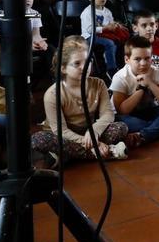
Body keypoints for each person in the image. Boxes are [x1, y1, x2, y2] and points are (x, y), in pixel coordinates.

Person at [31, 36, 129, 166]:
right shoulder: (52, 94)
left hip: (89, 132)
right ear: (63, 68)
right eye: (77, 63)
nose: (85, 67)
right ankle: (108, 151)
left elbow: (108, 114)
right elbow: (61, 131)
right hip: (65, 136)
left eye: (87, 61)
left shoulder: (99, 84)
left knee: (120, 128)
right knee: (38, 140)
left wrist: (94, 131)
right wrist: (94, 144)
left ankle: (67, 156)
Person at [110, 36, 159, 148]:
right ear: (127, 60)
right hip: (125, 116)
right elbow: (122, 111)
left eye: (147, 58)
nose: (143, 63)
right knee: (137, 124)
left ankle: (144, 135)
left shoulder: (155, 71)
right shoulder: (120, 77)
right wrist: (142, 88)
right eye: (137, 59)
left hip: (149, 111)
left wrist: (150, 83)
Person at [80, 0, 127, 75]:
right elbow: (90, 29)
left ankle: (121, 64)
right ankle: (111, 69)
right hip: (89, 37)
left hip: (104, 34)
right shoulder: (87, 12)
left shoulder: (107, 11)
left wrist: (115, 25)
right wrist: (105, 28)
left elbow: (110, 23)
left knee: (121, 40)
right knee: (109, 43)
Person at [130, 10, 159, 82]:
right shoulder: (131, 46)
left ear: (156, 26)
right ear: (135, 28)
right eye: (144, 25)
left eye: (152, 25)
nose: (149, 29)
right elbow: (129, 72)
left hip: (157, 84)